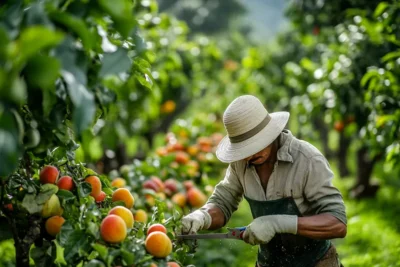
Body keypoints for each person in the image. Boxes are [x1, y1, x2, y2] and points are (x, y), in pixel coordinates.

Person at [181, 95, 347, 267]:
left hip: (315, 262)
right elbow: (223, 202)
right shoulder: (241, 163)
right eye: (243, 150)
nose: (248, 156)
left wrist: (278, 223)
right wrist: (202, 216)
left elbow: (337, 223)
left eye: (253, 146)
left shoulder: (307, 160)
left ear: (270, 133)